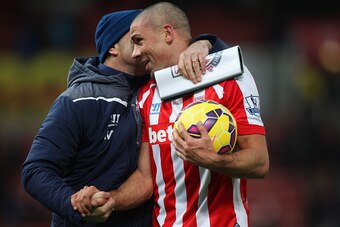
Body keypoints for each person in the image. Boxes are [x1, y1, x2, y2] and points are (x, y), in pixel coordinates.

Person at [73, 2, 269, 227]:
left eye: (139, 41)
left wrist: (212, 160)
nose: (136, 53)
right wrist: (111, 200)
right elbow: (146, 179)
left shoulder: (230, 81)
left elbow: (259, 162)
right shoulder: (146, 96)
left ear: (167, 33)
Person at [21, 9, 216, 226]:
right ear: (113, 47)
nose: (147, 40)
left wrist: (206, 43)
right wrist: (74, 204)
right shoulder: (77, 101)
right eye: (136, 37)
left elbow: (225, 63)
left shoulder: (158, 88)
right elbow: (35, 171)